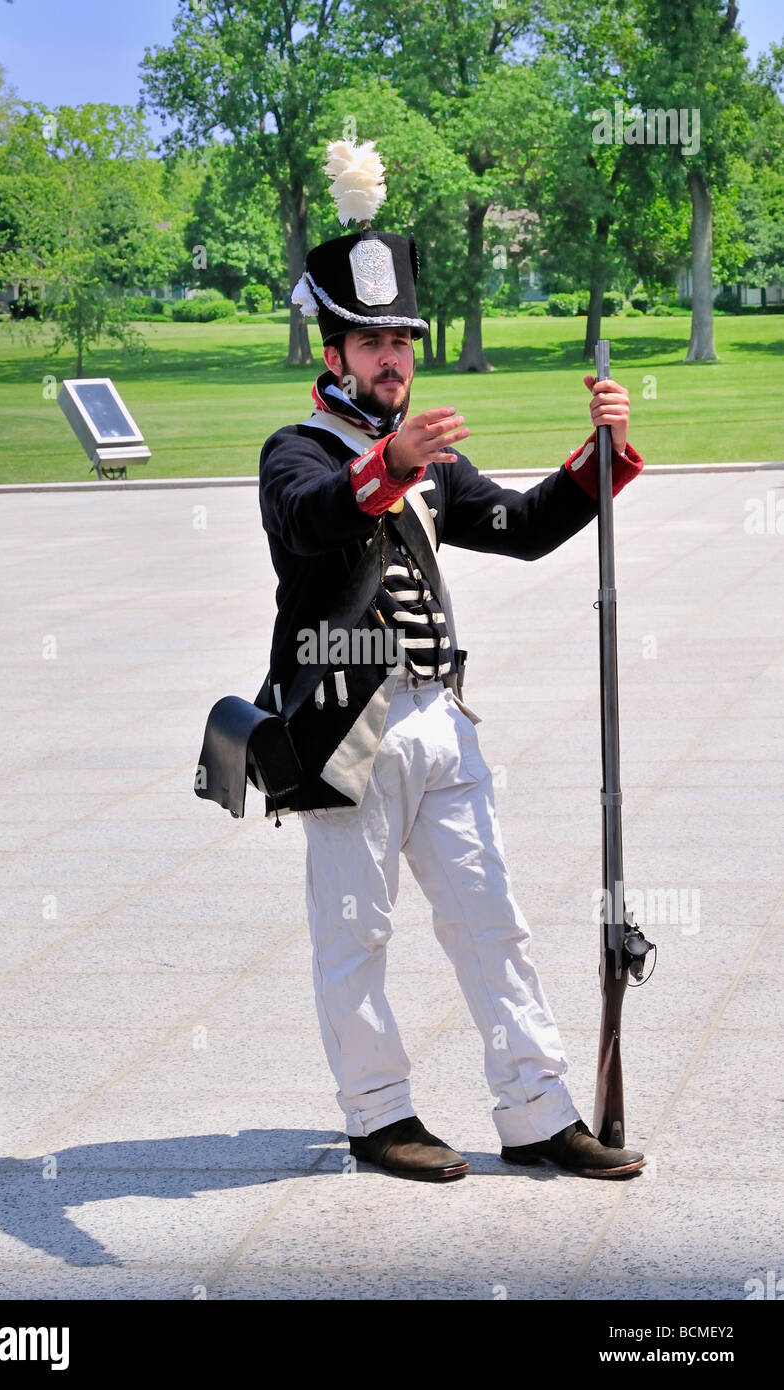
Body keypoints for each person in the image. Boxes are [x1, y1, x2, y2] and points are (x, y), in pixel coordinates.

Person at [257, 139, 646, 1181]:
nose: (391, 357)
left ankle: (535, 1110)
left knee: (492, 922)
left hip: (440, 718)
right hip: (343, 729)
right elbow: (311, 525)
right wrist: (386, 464)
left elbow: (517, 525)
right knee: (356, 934)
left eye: (401, 339)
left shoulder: (418, 454)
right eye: (369, 341)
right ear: (331, 353)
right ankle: (378, 1114)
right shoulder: (298, 452)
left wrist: (594, 460)